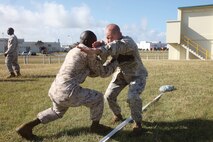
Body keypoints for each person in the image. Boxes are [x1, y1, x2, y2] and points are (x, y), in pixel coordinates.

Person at [16, 30, 133, 140]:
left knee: (56, 112)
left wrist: (103, 59)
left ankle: (27, 127)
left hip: (55, 89)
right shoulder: (87, 53)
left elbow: (91, 70)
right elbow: (103, 72)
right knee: (97, 98)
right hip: (68, 91)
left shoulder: (73, 50)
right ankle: (95, 126)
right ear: (92, 42)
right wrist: (116, 61)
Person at [78, 24, 148, 135]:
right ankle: (118, 115)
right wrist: (99, 46)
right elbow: (106, 52)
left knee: (132, 97)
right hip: (122, 74)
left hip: (136, 75)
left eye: (110, 37)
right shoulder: (109, 42)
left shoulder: (127, 42)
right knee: (108, 96)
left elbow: (115, 46)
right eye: (107, 37)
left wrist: (97, 49)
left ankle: (138, 123)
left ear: (118, 34)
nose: (108, 40)